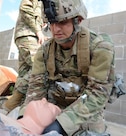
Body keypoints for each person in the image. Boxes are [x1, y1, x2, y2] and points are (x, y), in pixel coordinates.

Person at [21, 0, 115, 135]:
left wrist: (60, 125)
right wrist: (26, 119)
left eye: (63, 22)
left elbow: (97, 95)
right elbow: (36, 89)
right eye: (52, 23)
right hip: (54, 104)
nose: (55, 29)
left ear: (78, 20)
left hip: (86, 108)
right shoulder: (44, 51)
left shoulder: (100, 47)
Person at [0, 0, 46, 112]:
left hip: (29, 36)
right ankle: (11, 104)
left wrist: (41, 26)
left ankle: (13, 108)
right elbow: (25, 9)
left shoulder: (42, 3)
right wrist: (38, 30)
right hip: (27, 35)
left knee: (24, 73)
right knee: (39, 67)